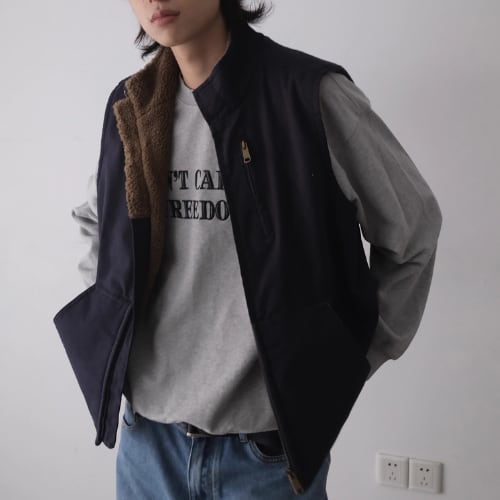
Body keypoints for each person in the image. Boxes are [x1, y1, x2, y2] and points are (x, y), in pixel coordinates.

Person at [53, 0, 442, 498]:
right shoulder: (132, 106)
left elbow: (413, 231)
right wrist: (116, 329)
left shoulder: (307, 94)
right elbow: (95, 220)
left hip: (266, 459)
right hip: (146, 443)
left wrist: (347, 361)